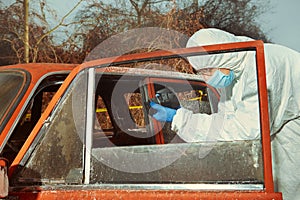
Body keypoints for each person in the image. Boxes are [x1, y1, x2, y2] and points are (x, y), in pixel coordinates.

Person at [150, 28, 300, 200]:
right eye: (200, 73)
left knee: (290, 187)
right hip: (280, 133)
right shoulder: (235, 69)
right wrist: (180, 116)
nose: (205, 78)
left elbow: (245, 129)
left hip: (293, 132)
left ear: (222, 57)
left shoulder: (264, 65)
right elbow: (225, 119)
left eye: (207, 71)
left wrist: (180, 119)